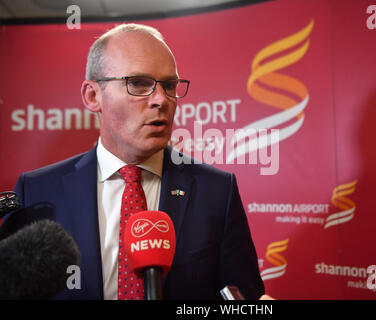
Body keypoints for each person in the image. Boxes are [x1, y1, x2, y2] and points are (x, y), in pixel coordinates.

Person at [8, 24, 265, 300]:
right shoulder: (36, 192)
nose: (161, 100)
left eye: (169, 86)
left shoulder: (216, 191)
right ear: (93, 96)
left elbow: (245, 297)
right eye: (139, 84)